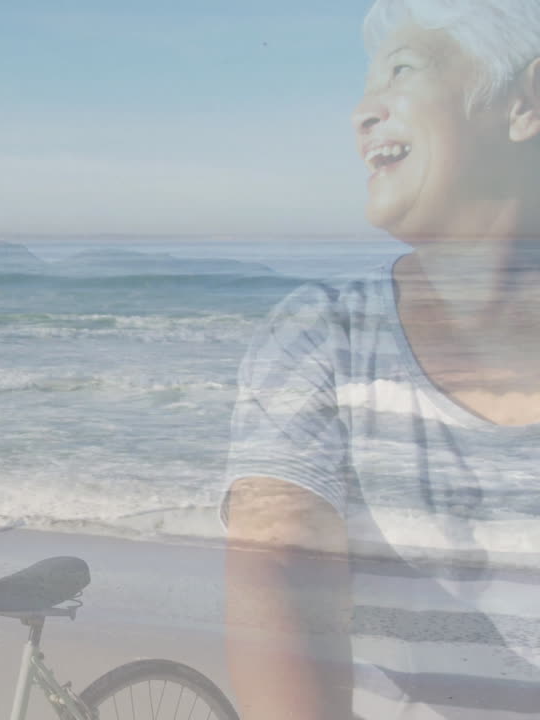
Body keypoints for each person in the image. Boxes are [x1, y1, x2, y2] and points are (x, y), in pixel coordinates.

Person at [223, 2, 540, 718]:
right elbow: (276, 562)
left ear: (526, 104)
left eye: (403, 69)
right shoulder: (326, 331)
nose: (362, 113)